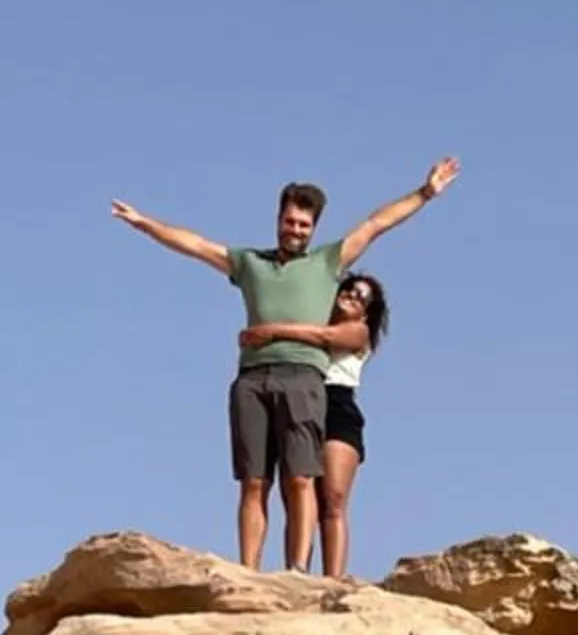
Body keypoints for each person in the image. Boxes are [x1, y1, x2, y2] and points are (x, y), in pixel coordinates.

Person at [110, 161, 458, 571]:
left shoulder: (328, 263)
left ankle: (296, 570)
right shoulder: (249, 263)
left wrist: (424, 193)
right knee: (253, 482)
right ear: (279, 220)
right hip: (252, 378)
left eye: (305, 225)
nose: (296, 230)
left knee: (300, 479)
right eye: (291, 222)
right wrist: (145, 224)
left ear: (314, 229)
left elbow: (375, 224)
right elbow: (198, 246)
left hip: (303, 379)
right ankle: (249, 571)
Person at [238, 270, 388, 578]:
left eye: (362, 297)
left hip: (337, 406)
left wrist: (273, 331)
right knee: (296, 487)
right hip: (303, 395)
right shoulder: (314, 319)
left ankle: (333, 578)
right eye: (348, 290)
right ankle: (297, 567)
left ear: (368, 311)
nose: (352, 297)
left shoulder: (358, 333)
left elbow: (326, 338)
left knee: (332, 496)